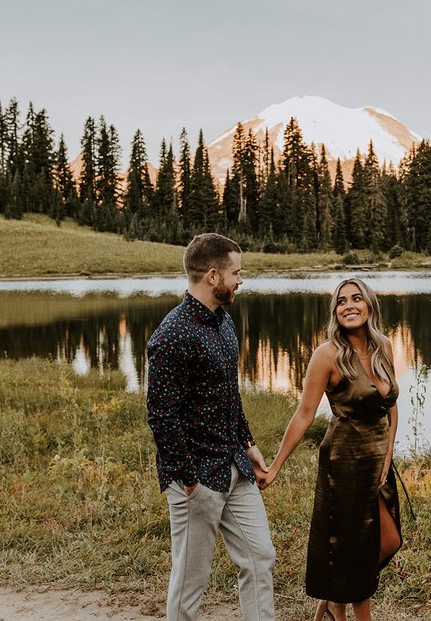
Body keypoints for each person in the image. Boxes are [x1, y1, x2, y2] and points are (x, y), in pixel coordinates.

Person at [146, 232, 276, 621]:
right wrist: (188, 479)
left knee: (260, 558)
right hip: (196, 478)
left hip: (235, 467)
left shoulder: (223, 323)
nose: (241, 280)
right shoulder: (171, 335)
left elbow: (228, 395)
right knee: (191, 582)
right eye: (237, 273)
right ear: (213, 275)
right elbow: (161, 416)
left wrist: (248, 443)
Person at [260, 277, 402, 621]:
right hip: (345, 460)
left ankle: (333, 598)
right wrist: (276, 465)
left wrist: (388, 455)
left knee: (388, 540)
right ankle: (347, 607)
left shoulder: (383, 344)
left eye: (356, 298)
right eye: (341, 301)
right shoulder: (328, 355)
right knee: (355, 545)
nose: (349, 305)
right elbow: (304, 413)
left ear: (370, 305)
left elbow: (391, 407)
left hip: (377, 461)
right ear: (335, 311)